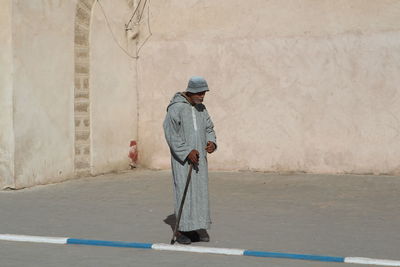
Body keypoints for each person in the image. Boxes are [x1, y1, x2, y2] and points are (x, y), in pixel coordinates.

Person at [163, 76, 217, 245]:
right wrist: (186, 151)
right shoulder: (176, 108)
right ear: (191, 91)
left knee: (199, 193)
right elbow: (171, 134)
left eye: (204, 93)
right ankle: (180, 231)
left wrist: (211, 142)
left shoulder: (201, 108)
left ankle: (193, 227)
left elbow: (209, 127)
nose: (202, 96)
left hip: (200, 159)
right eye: (199, 93)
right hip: (183, 161)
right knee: (184, 193)